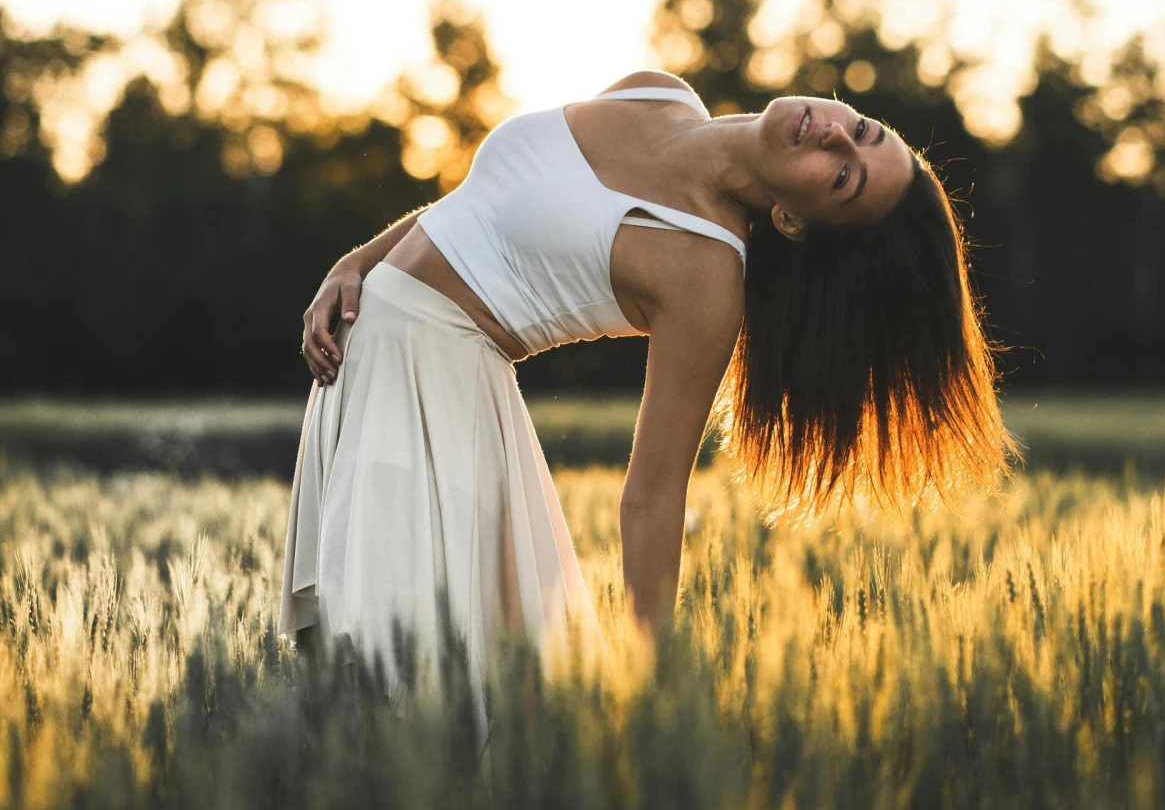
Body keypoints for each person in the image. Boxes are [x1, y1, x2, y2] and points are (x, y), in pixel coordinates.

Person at [278, 71, 1013, 710]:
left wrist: (651, 682)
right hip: (363, 370)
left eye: (843, 175)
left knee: (388, 698)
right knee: (354, 688)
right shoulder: (658, 92)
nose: (834, 136)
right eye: (861, 129)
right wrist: (357, 262)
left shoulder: (705, 273)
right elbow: (480, 200)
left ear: (793, 221)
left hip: (429, 404)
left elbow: (653, 495)